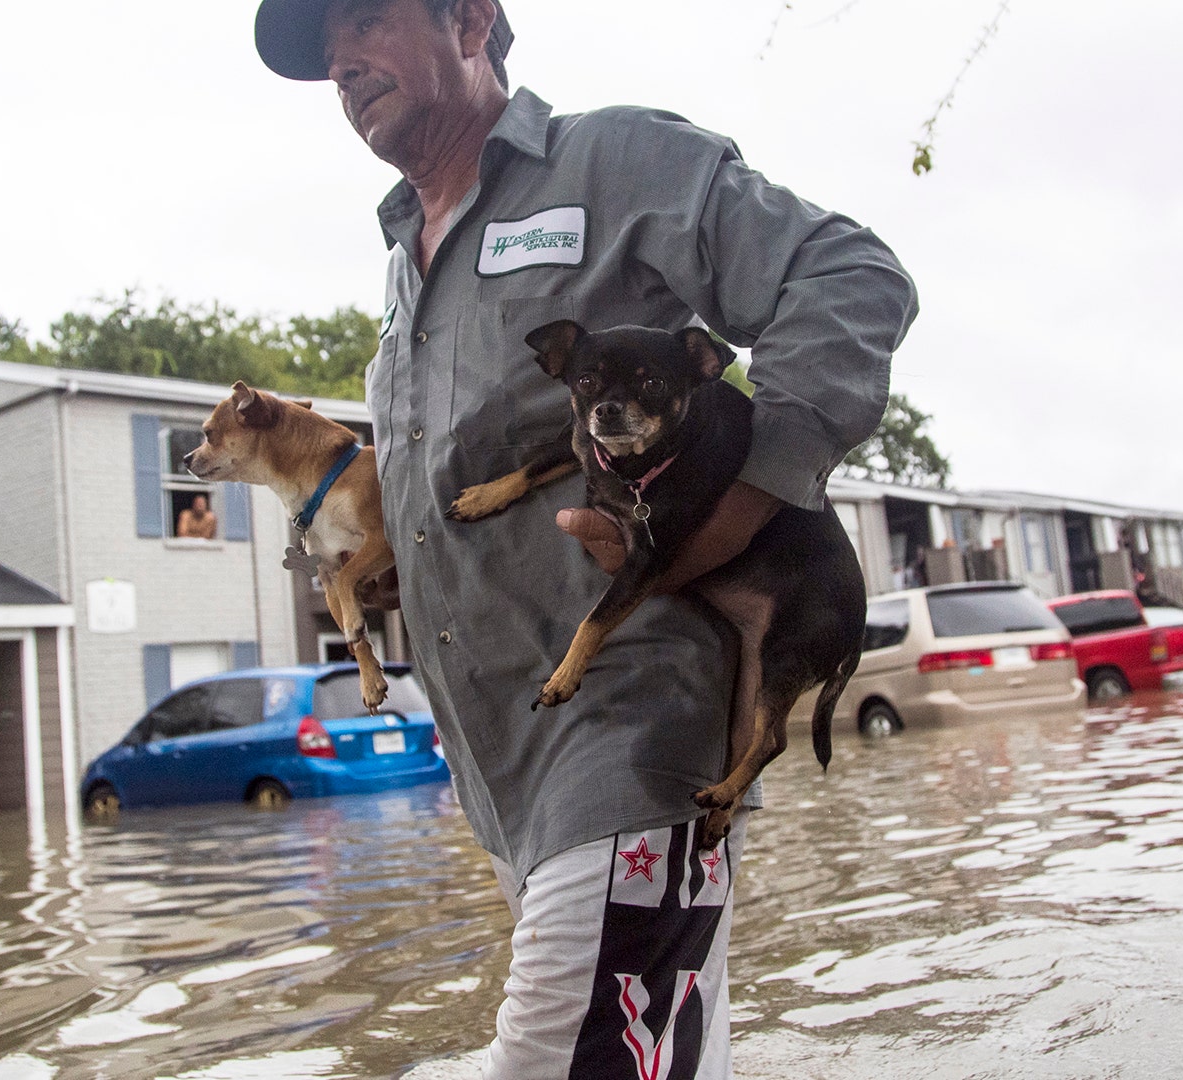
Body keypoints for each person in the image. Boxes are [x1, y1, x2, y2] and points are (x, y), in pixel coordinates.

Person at [254, 2, 916, 1075]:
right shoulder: (399, 272)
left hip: (633, 735)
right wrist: (405, 570)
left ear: (470, 22)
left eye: (366, 20)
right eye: (326, 53)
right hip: (503, 777)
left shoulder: (612, 161)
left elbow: (849, 276)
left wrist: (751, 498)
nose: (340, 61)